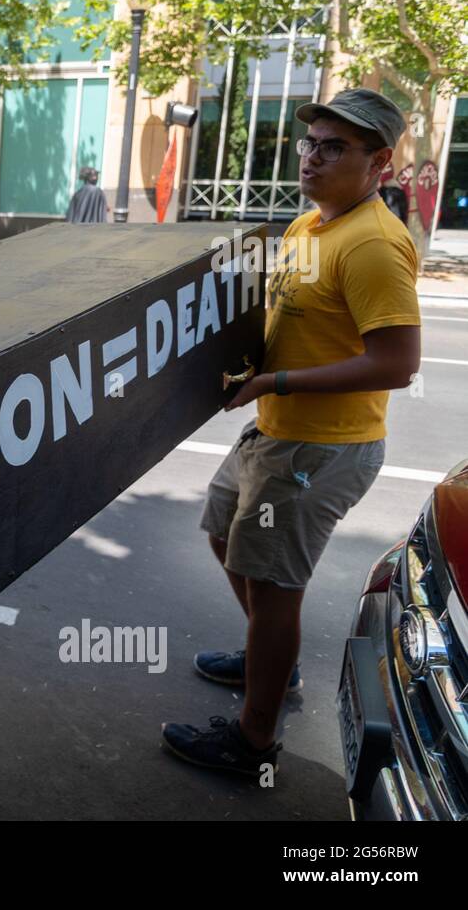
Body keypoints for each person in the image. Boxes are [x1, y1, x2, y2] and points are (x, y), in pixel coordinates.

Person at [162, 88, 422, 777]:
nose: (311, 157)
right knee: (226, 535)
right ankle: (267, 656)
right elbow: (287, 323)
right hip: (274, 429)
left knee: (275, 585)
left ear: (381, 164)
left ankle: (254, 739)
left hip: (321, 447)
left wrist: (275, 384)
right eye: (310, 143)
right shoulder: (310, 226)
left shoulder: (371, 245)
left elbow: (396, 363)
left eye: (334, 147)